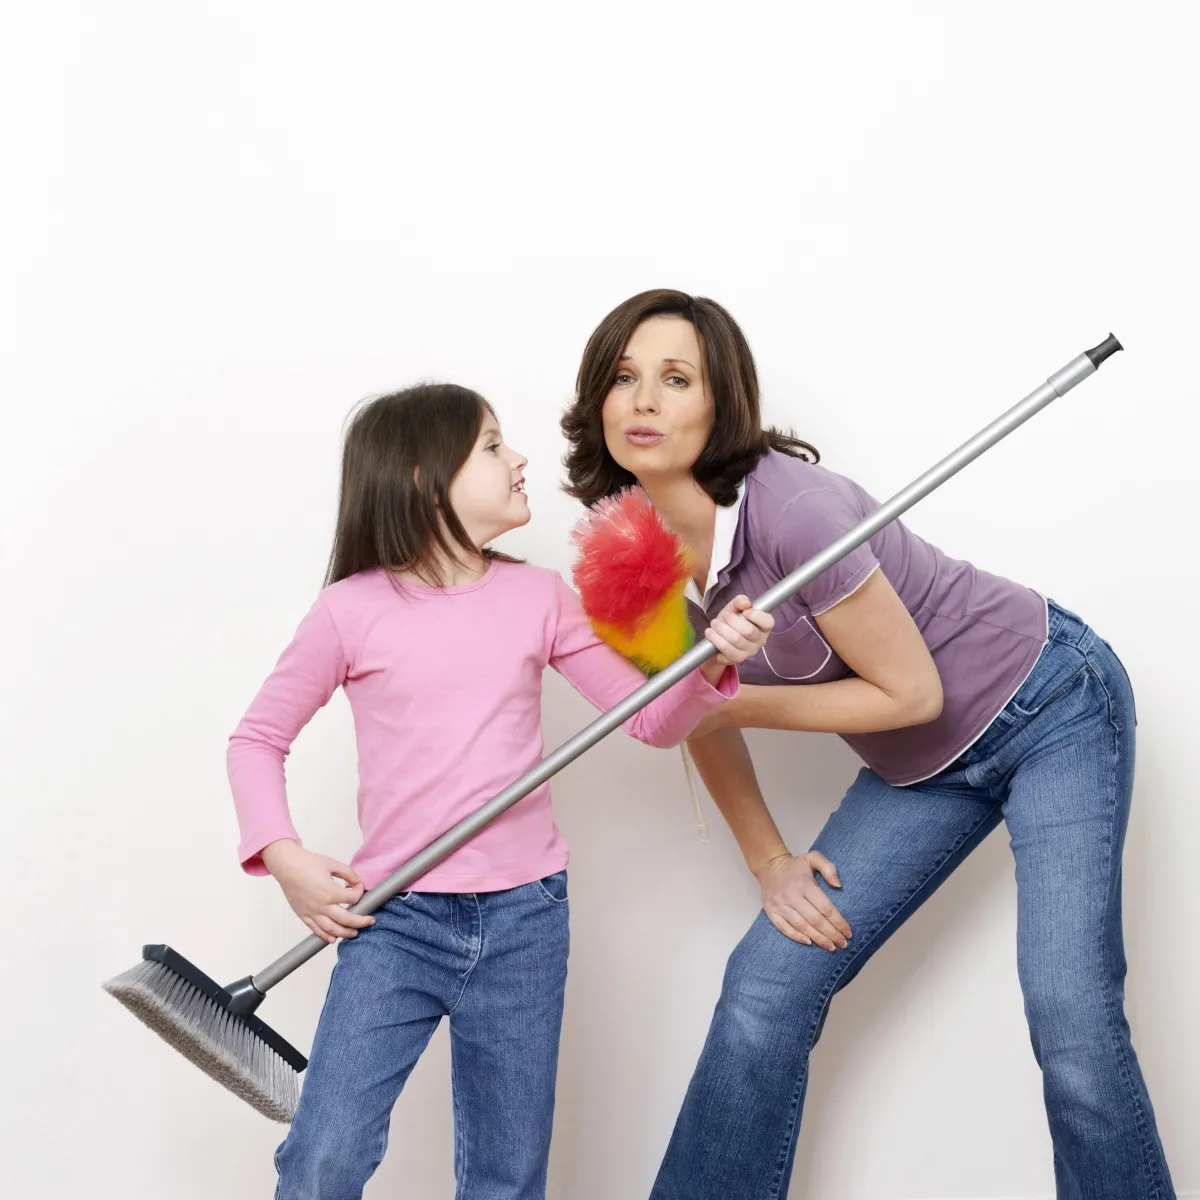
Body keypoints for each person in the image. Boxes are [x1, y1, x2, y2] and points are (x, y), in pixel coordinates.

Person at [561, 290, 1174, 1200]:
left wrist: (719, 704)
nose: (643, 400)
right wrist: (771, 860)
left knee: (1070, 1016)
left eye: (675, 378)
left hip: (1050, 705)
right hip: (922, 768)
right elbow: (699, 715)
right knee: (766, 985)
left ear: (720, 402)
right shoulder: (625, 559)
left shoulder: (799, 511)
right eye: (623, 377)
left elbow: (907, 689)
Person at [227, 381, 773, 1200]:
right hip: (395, 919)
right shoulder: (350, 612)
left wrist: (713, 662)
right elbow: (256, 740)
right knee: (327, 1153)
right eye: (491, 444)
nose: (519, 459)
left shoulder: (537, 597)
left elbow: (649, 722)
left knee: (507, 1177)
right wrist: (284, 854)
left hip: (526, 919)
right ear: (423, 478)